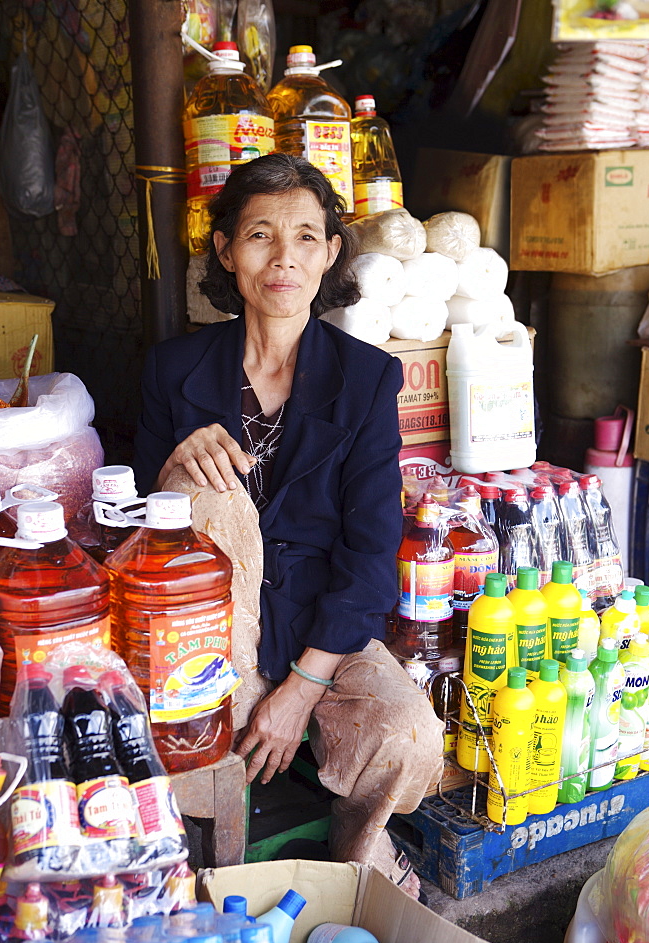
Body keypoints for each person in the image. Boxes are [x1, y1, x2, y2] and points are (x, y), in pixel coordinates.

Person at [133, 153, 444, 898]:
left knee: (409, 734)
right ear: (226, 250)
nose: (284, 259)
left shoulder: (367, 378)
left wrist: (302, 688)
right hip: (206, 638)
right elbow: (134, 530)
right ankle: (216, 878)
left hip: (319, 631)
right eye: (261, 235)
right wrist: (173, 467)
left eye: (306, 237)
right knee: (195, 491)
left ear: (331, 253)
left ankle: (356, 859)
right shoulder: (171, 370)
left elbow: (370, 554)